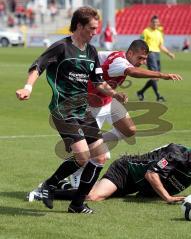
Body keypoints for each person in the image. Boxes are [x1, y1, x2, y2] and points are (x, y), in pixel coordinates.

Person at [16, 6, 127, 214]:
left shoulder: (92, 51)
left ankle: (76, 204)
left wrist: (114, 94)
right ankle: (49, 185)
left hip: (82, 111)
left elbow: (98, 81)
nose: (95, 32)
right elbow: (37, 66)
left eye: (96, 28)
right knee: (83, 156)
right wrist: (28, 87)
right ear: (79, 26)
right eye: (91, 28)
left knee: (101, 156)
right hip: (63, 110)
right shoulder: (61, 47)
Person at [28, 139, 191, 204]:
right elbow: (151, 174)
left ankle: (65, 185)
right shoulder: (176, 154)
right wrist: (167, 197)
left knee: (97, 194)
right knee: (94, 197)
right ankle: (46, 191)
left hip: (133, 185)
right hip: (126, 170)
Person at [88, 39, 182, 144]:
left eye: (144, 59)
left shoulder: (117, 54)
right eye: (140, 58)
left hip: (108, 99)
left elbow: (96, 56)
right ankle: (90, 144)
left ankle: (97, 141)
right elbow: (132, 72)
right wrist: (163, 75)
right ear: (130, 53)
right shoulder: (119, 62)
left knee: (129, 130)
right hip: (92, 104)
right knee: (96, 156)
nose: (142, 62)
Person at [137, 15, 176, 102]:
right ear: (150, 22)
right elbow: (141, 44)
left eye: (157, 22)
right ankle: (158, 96)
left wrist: (169, 54)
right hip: (150, 54)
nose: (155, 24)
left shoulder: (159, 33)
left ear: (158, 23)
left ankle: (141, 92)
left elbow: (161, 46)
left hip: (157, 54)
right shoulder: (146, 31)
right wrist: (143, 57)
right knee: (155, 76)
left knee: (157, 77)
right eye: (154, 22)